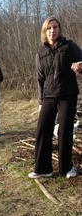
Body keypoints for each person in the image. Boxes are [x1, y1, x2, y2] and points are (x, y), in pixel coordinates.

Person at [28, 16, 82, 179]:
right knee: (42, 130)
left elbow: (81, 62)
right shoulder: (40, 53)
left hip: (67, 94)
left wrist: (79, 67)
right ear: (45, 31)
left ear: (59, 30)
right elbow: (40, 79)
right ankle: (43, 169)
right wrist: (40, 101)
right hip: (48, 96)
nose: (52, 30)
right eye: (49, 28)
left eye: (55, 27)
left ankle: (66, 169)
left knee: (65, 131)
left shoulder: (69, 46)